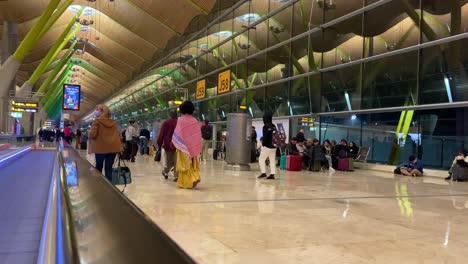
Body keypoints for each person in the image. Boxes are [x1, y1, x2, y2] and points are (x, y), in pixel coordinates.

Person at [88, 104, 122, 181]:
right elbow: (116, 134)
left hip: (101, 148)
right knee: (109, 168)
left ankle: (99, 186)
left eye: (97, 109)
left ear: (102, 111)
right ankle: (110, 188)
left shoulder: (97, 121)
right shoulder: (113, 122)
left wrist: (89, 131)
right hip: (112, 148)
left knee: (99, 168)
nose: (96, 111)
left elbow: (92, 135)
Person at [172, 101, 202, 189]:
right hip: (193, 147)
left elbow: (177, 134)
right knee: (192, 164)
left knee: (184, 165)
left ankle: (185, 182)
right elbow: (197, 135)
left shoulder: (180, 120)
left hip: (183, 147)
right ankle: (194, 178)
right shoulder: (195, 120)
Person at [157, 110, 178, 180]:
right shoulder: (179, 122)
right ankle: (176, 176)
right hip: (177, 144)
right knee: (176, 161)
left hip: (167, 144)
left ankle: (165, 172)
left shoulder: (166, 122)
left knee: (169, 160)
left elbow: (162, 134)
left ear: (170, 115)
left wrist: (159, 143)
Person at [258, 114, 277, 180]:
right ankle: (272, 174)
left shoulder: (265, 126)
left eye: (263, 118)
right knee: (272, 160)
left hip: (267, 146)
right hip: (274, 146)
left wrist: (263, 144)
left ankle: (263, 173)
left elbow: (265, 136)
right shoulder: (273, 125)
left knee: (261, 159)